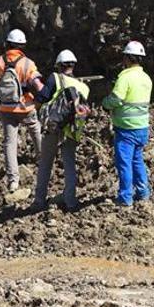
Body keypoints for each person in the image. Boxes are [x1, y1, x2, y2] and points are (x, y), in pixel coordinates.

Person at [0, 29, 44, 191]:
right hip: (25, 106)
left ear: (7, 44)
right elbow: (38, 85)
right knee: (35, 129)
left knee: (9, 142)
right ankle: (43, 159)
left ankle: (13, 181)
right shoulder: (27, 63)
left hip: (5, 108)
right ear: (22, 46)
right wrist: (45, 95)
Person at [32, 49, 90, 212]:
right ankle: (71, 202)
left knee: (45, 164)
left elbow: (42, 97)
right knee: (70, 165)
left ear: (59, 65)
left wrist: (36, 111)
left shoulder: (55, 78)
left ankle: (39, 201)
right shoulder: (84, 87)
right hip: (71, 130)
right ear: (73, 66)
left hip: (54, 127)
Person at [102, 41, 153, 207]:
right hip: (142, 127)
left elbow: (116, 99)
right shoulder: (146, 78)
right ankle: (143, 192)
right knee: (137, 160)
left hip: (126, 128)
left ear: (127, 58)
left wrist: (105, 103)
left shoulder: (125, 77)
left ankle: (125, 198)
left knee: (124, 163)